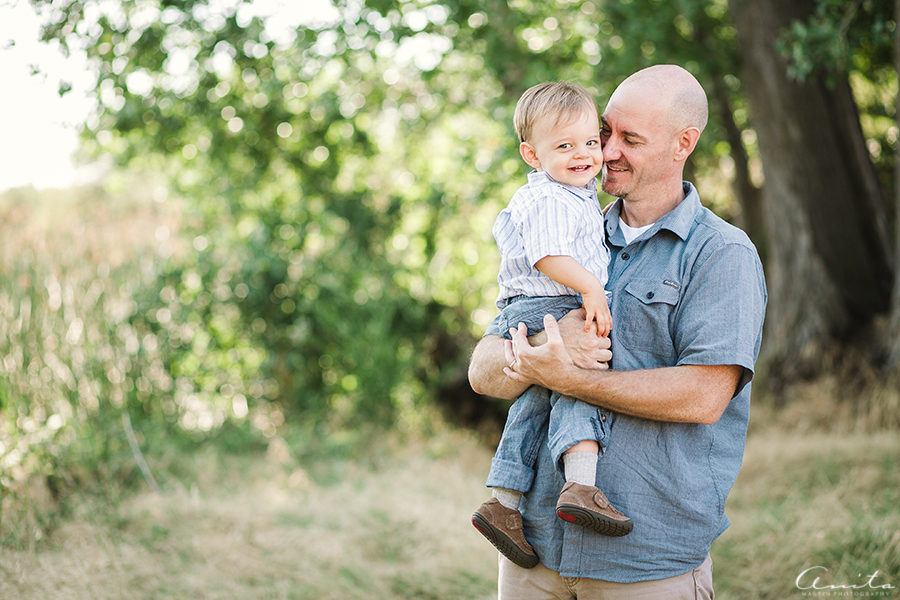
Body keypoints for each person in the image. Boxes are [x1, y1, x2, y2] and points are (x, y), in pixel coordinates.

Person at [468, 64, 767, 598]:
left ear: (683, 143)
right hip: (534, 550)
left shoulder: (721, 254)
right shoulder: (566, 237)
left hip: (645, 560)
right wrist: (545, 343)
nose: (605, 152)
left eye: (630, 139)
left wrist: (569, 377)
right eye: (605, 132)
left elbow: (702, 396)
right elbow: (484, 373)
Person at [471, 81, 633, 571]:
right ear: (532, 154)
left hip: (538, 302)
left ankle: (503, 502)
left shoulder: (574, 194)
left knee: (537, 399)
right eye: (564, 146)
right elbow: (548, 256)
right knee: (579, 381)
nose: (583, 154)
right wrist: (590, 290)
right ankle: (581, 484)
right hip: (545, 301)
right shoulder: (549, 199)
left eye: (589, 141)